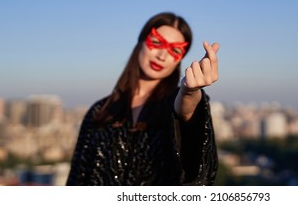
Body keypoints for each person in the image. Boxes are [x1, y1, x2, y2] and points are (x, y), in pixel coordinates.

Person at [66, 12, 219, 185]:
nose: (162, 55)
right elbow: (76, 180)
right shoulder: (99, 111)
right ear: (142, 42)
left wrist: (189, 91)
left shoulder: (175, 103)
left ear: (179, 60)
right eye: (156, 42)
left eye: (175, 50)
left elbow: (186, 111)